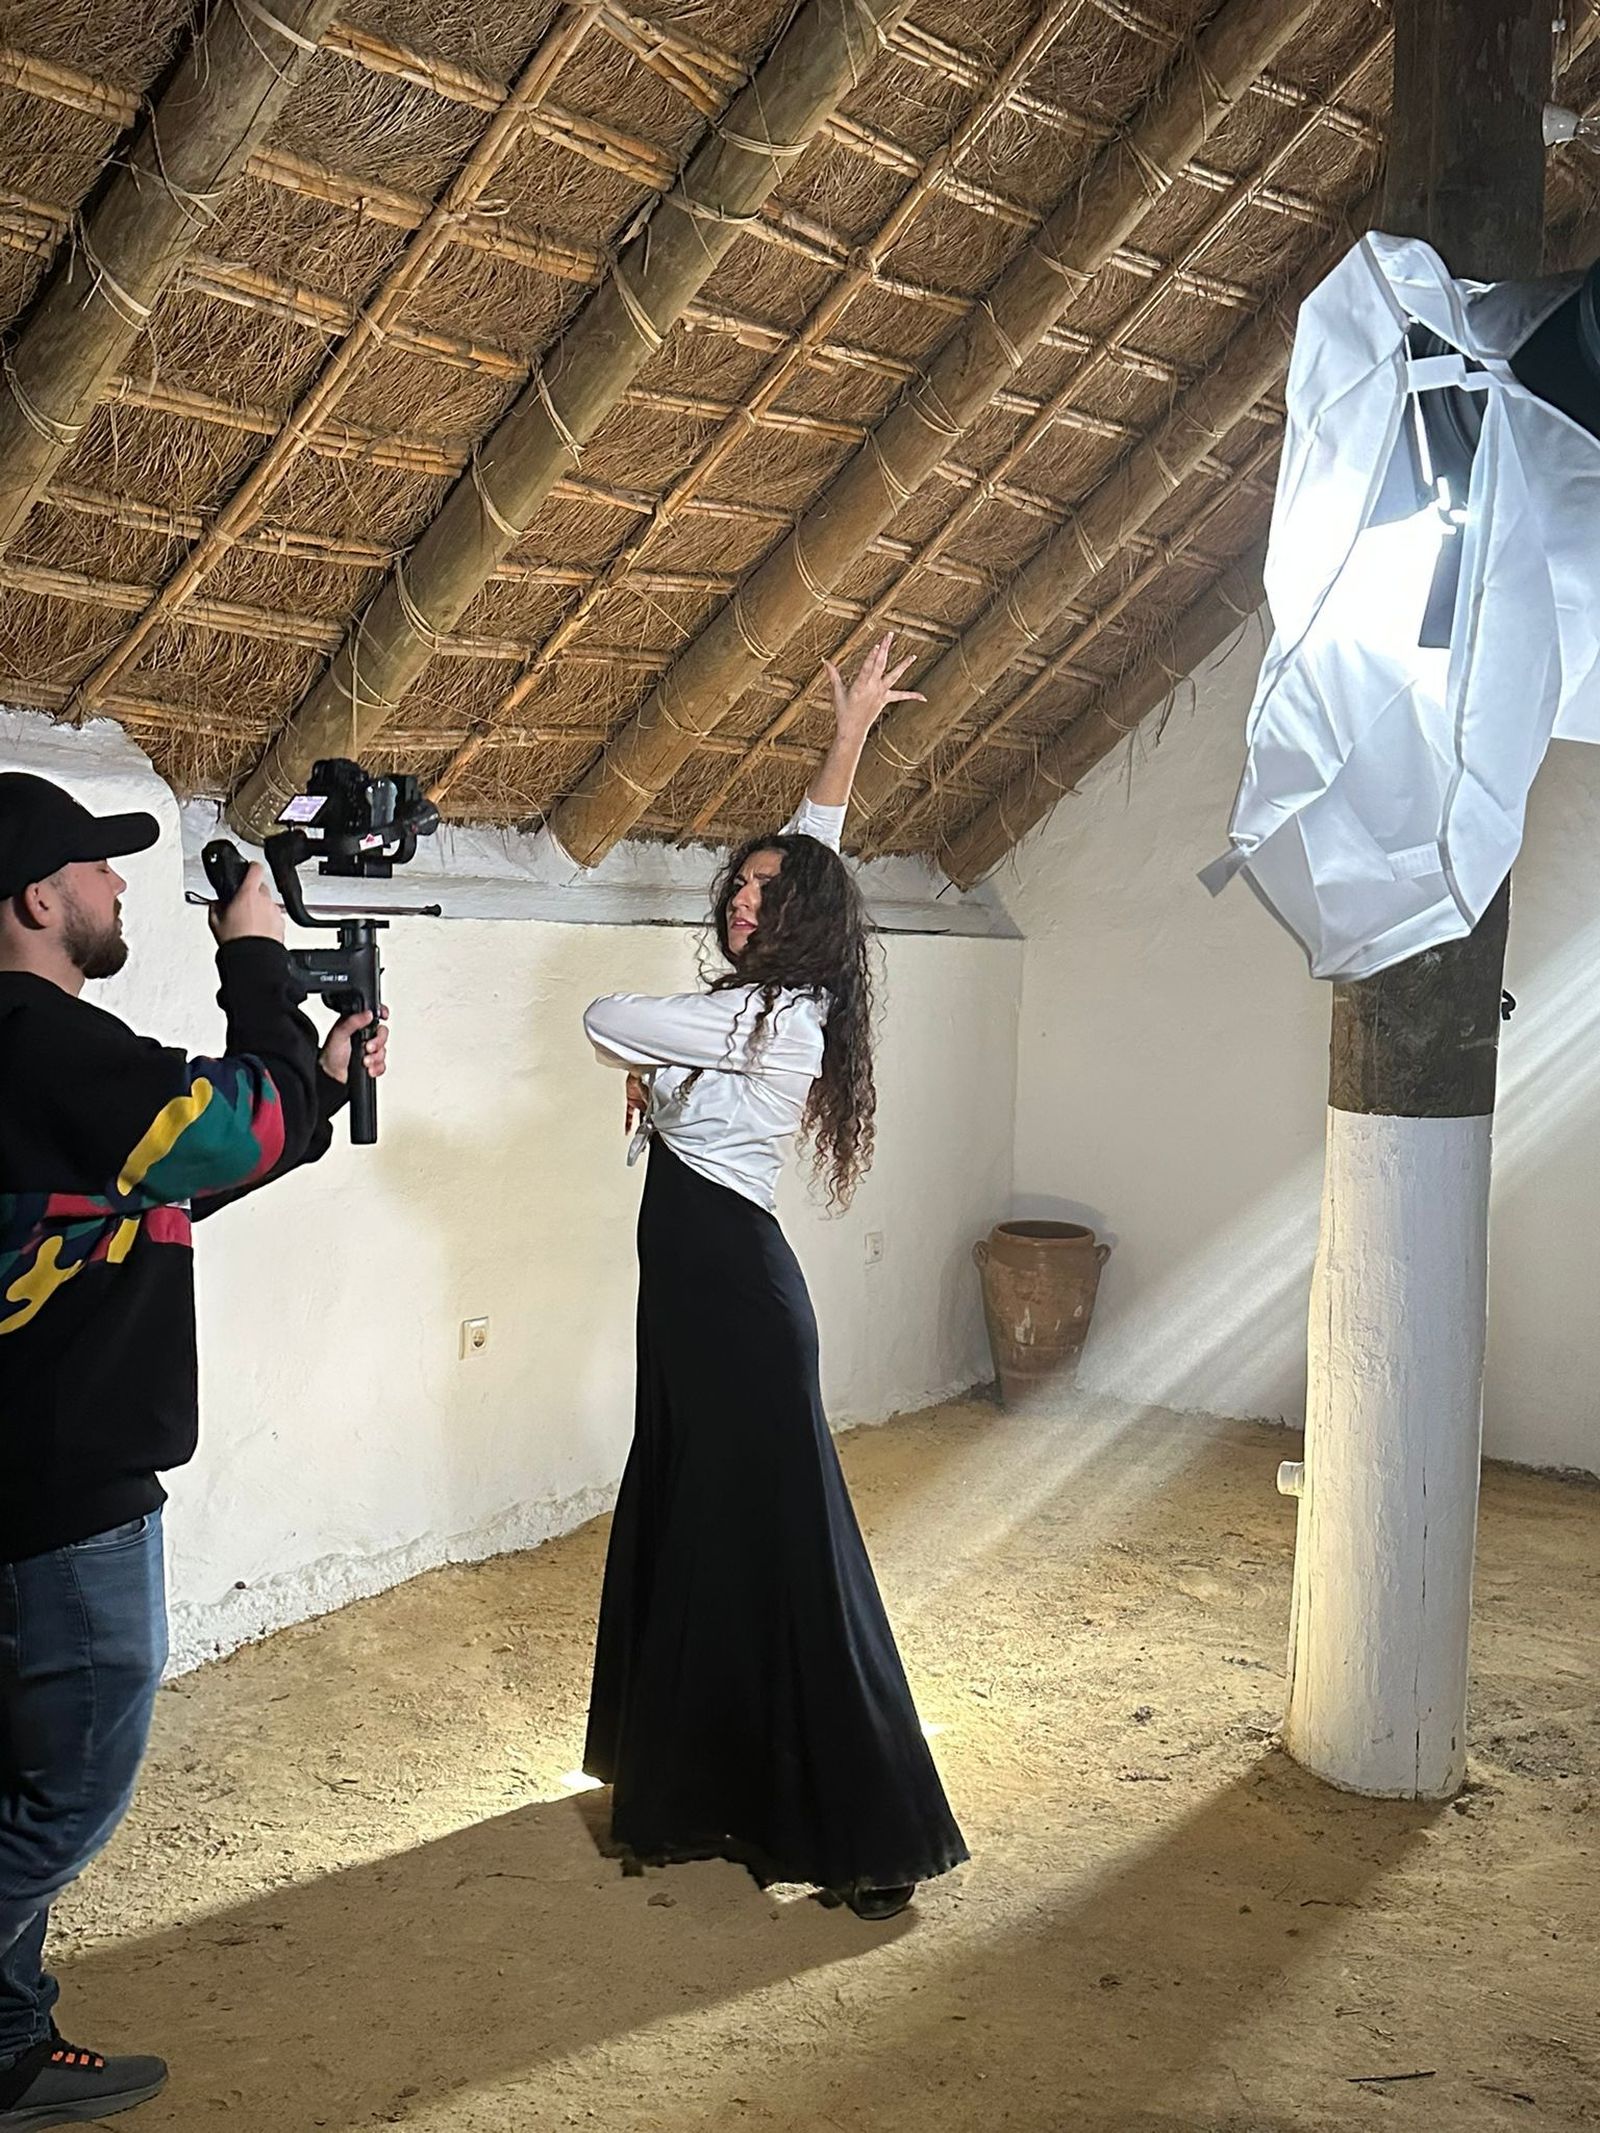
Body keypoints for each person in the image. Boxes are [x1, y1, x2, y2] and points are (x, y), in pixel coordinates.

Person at [0, 772, 387, 2128]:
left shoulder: (32, 1057)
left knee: (20, 1773)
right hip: (63, 1493)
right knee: (67, 1798)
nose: (115, 892)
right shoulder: (39, 1036)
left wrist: (314, 1088)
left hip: (29, 1474)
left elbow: (166, 1176)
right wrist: (258, 965)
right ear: (39, 901)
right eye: (96, 874)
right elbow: (223, 1120)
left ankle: (7, 2044)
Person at [580, 636, 968, 1921]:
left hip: (736, 1304)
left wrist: (654, 1047)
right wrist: (846, 733)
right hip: (690, 1299)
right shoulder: (750, 1003)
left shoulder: (776, 1016)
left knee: (790, 1554)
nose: (744, 906)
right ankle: (707, 1787)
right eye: (736, 890)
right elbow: (819, 847)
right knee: (706, 1531)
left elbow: (600, 1019)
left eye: (765, 897)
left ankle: (874, 1833)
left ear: (801, 923)